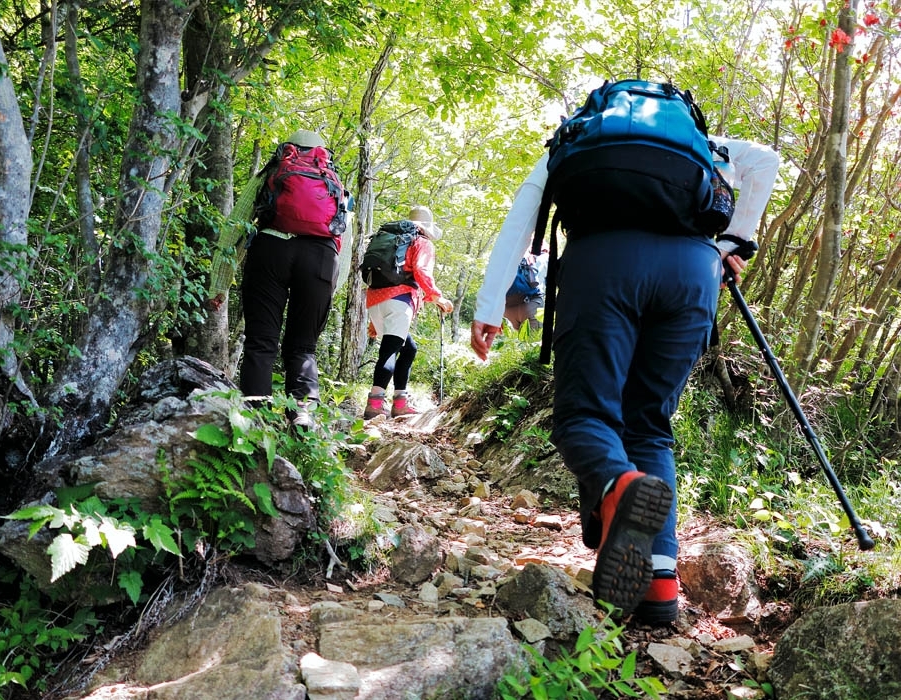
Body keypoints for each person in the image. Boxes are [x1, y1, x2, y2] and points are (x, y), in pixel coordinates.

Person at [471, 135, 779, 624]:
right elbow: (766, 160)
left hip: (603, 262)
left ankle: (618, 486)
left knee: (584, 416)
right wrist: (732, 242)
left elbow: (519, 224)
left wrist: (489, 305)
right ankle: (659, 586)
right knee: (650, 424)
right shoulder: (697, 142)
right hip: (693, 271)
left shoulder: (578, 138)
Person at [239, 129, 347, 429]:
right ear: (321, 152)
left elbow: (236, 223)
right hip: (321, 259)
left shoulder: (273, 170)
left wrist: (218, 283)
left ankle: (254, 419)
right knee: (303, 346)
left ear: (288, 146)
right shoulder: (334, 181)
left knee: (261, 342)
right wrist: (331, 285)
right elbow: (343, 238)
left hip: (270, 250)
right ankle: (303, 413)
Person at [364, 206, 454, 419]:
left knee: (409, 348)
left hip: (375, 300)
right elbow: (422, 271)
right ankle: (375, 404)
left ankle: (400, 402)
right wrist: (437, 296)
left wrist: (374, 322)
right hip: (399, 301)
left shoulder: (392, 238)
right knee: (389, 351)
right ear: (427, 227)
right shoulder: (421, 242)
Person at [504, 248, 548, 332]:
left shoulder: (515, 258)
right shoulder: (545, 257)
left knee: (514, 343)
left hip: (507, 309)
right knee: (534, 342)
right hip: (532, 305)